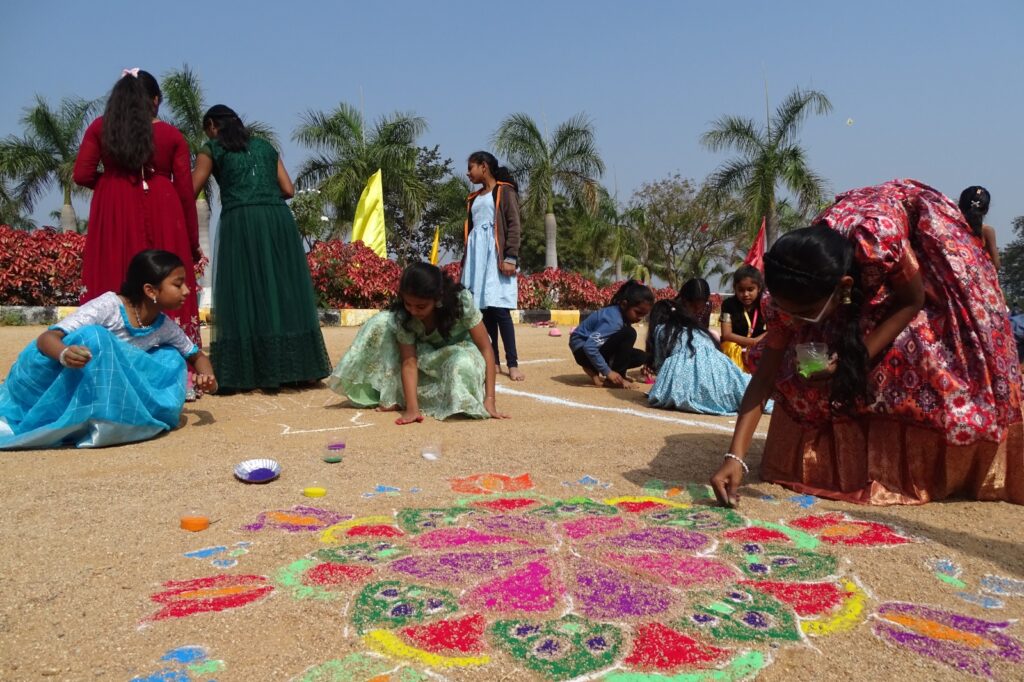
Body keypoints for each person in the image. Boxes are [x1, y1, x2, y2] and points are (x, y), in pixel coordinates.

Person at [710, 179, 1023, 507]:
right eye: (789, 313)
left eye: (803, 314)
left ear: (843, 288)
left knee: (922, 344)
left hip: (916, 230)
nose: (793, 323)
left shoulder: (879, 243)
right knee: (800, 353)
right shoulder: (790, 294)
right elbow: (765, 377)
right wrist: (735, 456)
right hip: (851, 263)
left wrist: (851, 361)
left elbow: (911, 301)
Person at [0, 250, 217, 450]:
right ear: (150, 290)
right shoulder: (109, 306)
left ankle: (112, 421)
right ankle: (68, 419)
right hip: (53, 375)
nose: (187, 291)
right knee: (96, 337)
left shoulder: (164, 327)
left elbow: (196, 355)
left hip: (95, 389)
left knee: (171, 359)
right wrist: (65, 354)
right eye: (178, 284)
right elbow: (47, 338)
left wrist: (208, 379)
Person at [191, 105, 331, 392]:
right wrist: (262, 194)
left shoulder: (211, 149)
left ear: (212, 126)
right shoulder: (265, 147)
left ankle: (248, 371)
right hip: (276, 219)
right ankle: (299, 368)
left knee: (243, 290)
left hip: (241, 221)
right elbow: (288, 190)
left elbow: (192, 189)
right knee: (281, 291)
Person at [73, 69, 201, 346]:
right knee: (163, 273)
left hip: (114, 209)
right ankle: (173, 352)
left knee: (114, 270)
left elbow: (82, 174)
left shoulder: (100, 128)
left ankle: (108, 346)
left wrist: (111, 185)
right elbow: (185, 194)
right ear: (155, 100)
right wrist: (192, 244)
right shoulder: (171, 136)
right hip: (163, 209)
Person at [327, 262, 508, 424]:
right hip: (426, 357)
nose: (413, 311)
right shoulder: (403, 316)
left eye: (421, 307)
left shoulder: (461, 302)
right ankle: (396, 396)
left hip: (462, 353)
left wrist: (489, 399)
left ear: (437, 300)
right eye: (408, 304)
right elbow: (409, 362)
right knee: (381, 322)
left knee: (461, 364)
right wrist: (412, 409)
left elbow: (485, 348)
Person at [647, 279, 767, 415]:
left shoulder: (662, 330)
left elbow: (661, 362)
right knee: (744, 388)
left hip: (704, 356)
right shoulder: (673, 328)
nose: (698, 310)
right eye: (694, 306)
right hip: (714, 361)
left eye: (701, 305)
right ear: (685, 301)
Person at [462, 151, 524, 381]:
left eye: (471, 167)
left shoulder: (504, 191)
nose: (468, 172)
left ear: (484, 167)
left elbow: (513, 225)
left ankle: (513, 362)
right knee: (485, 309)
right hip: (477, 258)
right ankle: (494, 359)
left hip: (496, 255)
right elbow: (470, 232)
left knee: (500, 309)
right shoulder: (474, 198)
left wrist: (510, 257)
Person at [569, 280, 654, 388]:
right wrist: (608, 373)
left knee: (640, 357)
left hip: (590, 349)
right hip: (582, 350)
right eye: (638, 313)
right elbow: (590, 347)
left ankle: (599, 370)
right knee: (629, 333)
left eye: (644, 315)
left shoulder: (622, 316)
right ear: (624, 304)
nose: (640, 318)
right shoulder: (614, 320)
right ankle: (616, 379)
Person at [719, 265, 766, 371]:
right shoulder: (728, 304)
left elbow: (774, 329)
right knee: (728, 346)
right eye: (741, 290)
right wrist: (752, 342)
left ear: (758, 288)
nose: (745, 294)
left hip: (759, 346)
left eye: (750, 290)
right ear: (735, 288)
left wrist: (756, 343)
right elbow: (726, 335)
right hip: (736, 348)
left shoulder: (765, 304)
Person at [958, 186, 1000, 269]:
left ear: (960, 205)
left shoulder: (951, 227)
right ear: (986, 209)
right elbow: (996, 264)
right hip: (981, 281)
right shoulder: (987, 231)